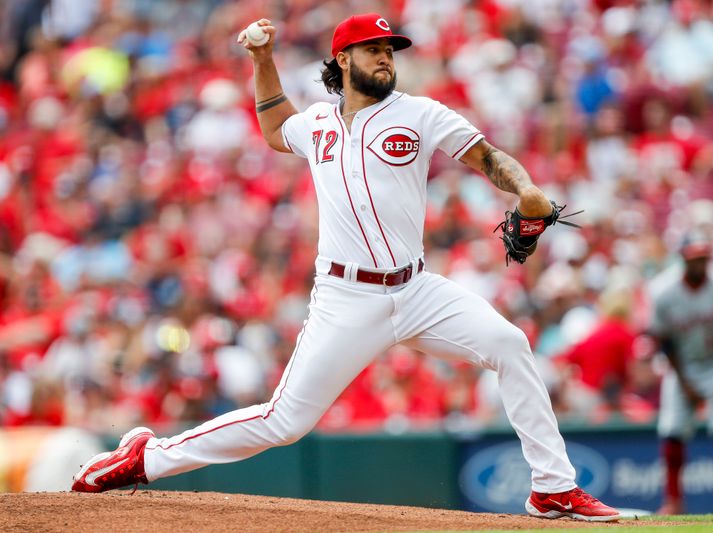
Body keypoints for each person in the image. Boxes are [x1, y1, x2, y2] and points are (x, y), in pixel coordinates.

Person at [71, 13, 619, 522]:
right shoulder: (316, 125)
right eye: (372, 49)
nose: (385, 57)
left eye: (389, 49)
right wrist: (263, 62)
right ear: (341, 61)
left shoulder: (420, 113)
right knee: (285, 422)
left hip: (418, 288)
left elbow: (489, 158)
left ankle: (552, 486)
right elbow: (273, 127)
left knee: (509, 344)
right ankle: (148, 457)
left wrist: (525, 188)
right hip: (346, 297)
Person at [648, 229, 713, 514]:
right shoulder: (663, 290)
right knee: (671, 431)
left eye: (704, 258)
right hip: (685, 365)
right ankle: (672, 500)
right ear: (683, 259)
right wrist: (684, 381)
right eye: (694, 259)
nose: (699, 264)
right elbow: (663, 340)